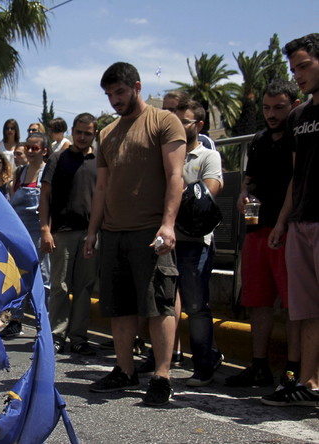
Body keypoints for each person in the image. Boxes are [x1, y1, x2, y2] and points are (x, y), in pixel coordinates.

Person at [84, 62, 185, 406]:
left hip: (151, 230)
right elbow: (101, 188)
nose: (115, 100)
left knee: (158, 305)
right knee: (119, 306)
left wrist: (168, 224)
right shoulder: (107, 133)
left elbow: (175, 176)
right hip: (113, 233)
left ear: (138, 86)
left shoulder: (164, 121)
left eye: (121, 92)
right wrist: (92, 232)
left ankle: (161, 376)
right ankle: (124, 370)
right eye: (110, 95)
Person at [226, 79, 302, 389]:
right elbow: (248, 180)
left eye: (279, 108)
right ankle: (259, 366)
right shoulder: (258, 140)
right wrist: (243, 193)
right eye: (267, 108)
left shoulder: (299, 138)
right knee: (257, 301)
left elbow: (297, 183)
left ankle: (293, 370)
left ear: (294, 105)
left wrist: (283, 223)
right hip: (256, 228)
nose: (271, 114)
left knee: (293, 304)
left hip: (287, 230)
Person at [262, 33, 319, 407]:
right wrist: (283, 222)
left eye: (304, 66)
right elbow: (296, 178)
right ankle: (309, 384)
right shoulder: (299, 116)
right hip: (301, 222)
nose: (297, 74)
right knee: (308, 309)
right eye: (293, 68)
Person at [171, 100, 224, 386]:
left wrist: (178, 192)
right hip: (168, 239)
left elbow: (210, 191)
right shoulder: (169, 155)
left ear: (199, 126)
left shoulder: (207, 157)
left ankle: (204, 362)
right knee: (165, 304)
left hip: (195, 242)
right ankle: (162, 360)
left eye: (185, 121)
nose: (179, 126)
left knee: (196, 305)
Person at [40, 113, 98, 355]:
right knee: (60, 287)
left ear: (94, 134)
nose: (83, 137)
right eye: (79, 132)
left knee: (84, 288)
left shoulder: (100, 161)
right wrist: (45, 228)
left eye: (88, 133)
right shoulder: (57, 159)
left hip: (91, 234)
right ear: (72, 131)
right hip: (62, 232)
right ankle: (56, 335)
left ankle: (78, 337)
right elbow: (45, 195)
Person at [0, 132, 51, 339]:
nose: (30, 151)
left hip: (40, 232)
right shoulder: (19, 173)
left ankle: (43, 322)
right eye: (28, 147)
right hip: (21, 232)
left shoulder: (47, 173)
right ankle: (16, 320)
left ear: (44, 151)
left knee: (45, 277)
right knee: (18, 277)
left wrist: (48, 231)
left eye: (35, 148)